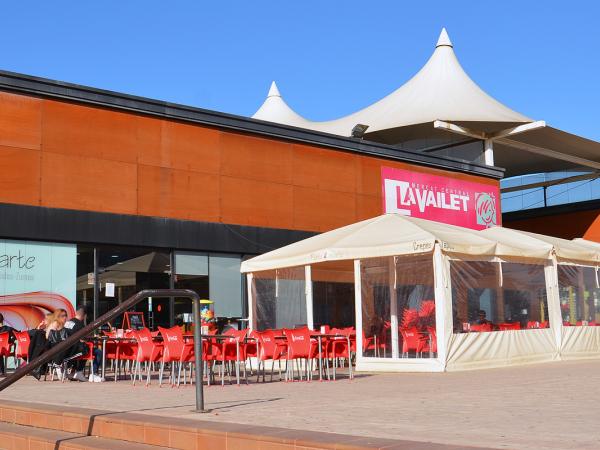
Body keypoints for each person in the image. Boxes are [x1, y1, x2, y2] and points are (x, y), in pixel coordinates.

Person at [65, 308, 103, 382]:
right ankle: (93, 373)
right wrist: (94, 337)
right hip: (76, 350)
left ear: (76, 313)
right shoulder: (80, 325)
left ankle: (74, 372)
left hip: (66, 349)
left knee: (86, 349)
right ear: (84, 316)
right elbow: (84, 338)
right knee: (98, 352)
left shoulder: (68, 322)